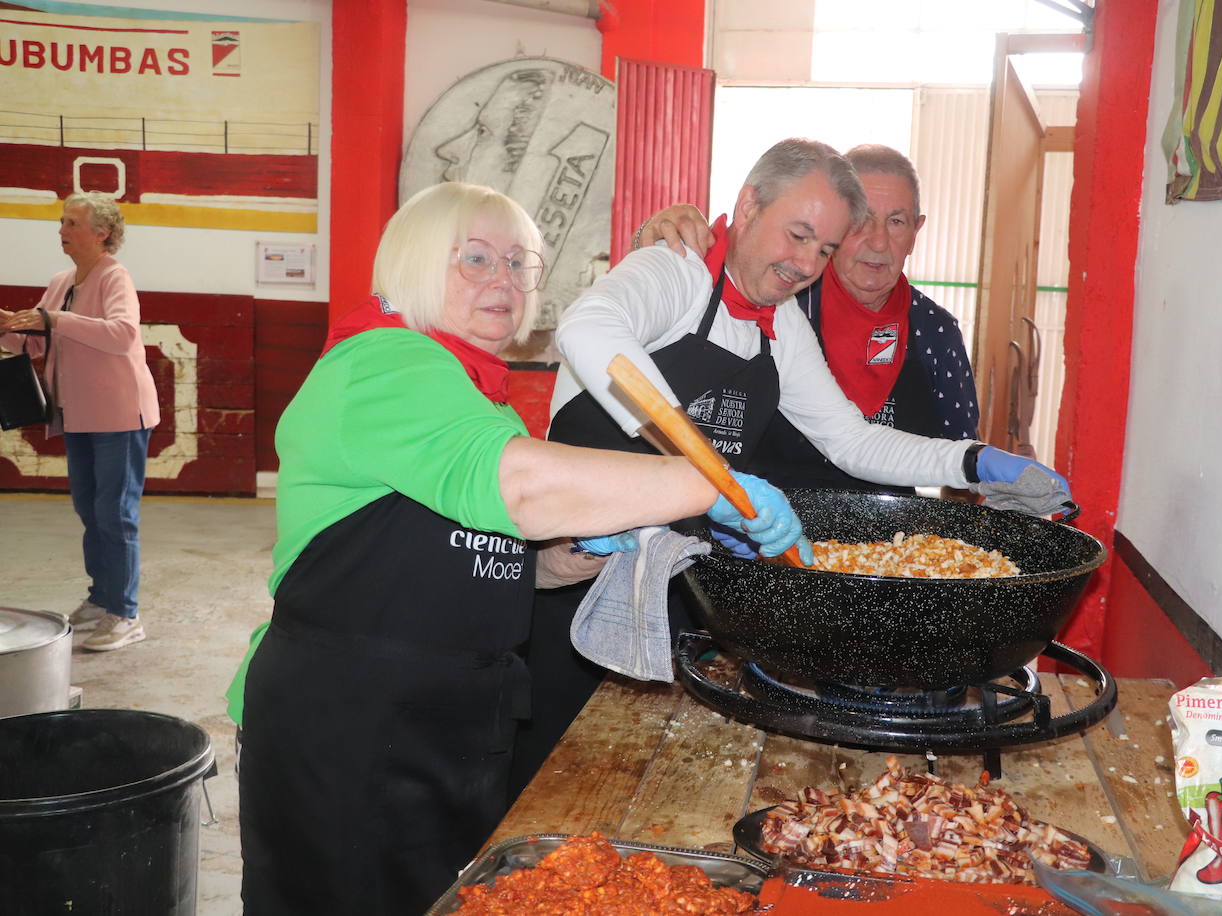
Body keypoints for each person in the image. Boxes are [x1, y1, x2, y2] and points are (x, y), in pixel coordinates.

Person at [231, 180, 809, 916]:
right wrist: (713, 486)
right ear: (411, 263)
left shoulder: (480, 395)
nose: (502, 281)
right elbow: (522, 489)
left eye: (519, 263)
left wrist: (574, 557)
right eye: (475, 258)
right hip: (349, 727)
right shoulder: (380, 364)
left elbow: (489, 556)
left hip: (452, 720)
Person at [510, 138, 1070, 801]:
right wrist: (710, 478)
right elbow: (588, 328)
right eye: (798, 234)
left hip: (681, 585)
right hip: (579, 575)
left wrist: (973, 461)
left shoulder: (777, 325)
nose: (805, 263)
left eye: (824, 250)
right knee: (560, 784)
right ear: (748, 205)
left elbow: (849, 439)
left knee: (658, 788)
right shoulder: (673, 271)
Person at [638, 143, 982, 495]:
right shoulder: (785, 298)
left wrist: (978, 467)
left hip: (889, 542)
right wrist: (659, 235)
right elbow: (618, 332)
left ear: (915, 232)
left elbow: (857, 443)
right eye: (862, 221)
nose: (878, 242)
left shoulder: (935, 332)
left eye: (896, 221)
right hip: (752, 525)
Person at [0, 191, 159, 652]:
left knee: (116, 514)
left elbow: (122, 334)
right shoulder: (61, 280)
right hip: (78, 415)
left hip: (119, 415)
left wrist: (55, 319)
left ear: (102, 232)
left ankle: (126, 615)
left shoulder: (115, 277)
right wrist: (11, 329)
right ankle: (101, 598)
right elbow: (34, 345)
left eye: (72, 223)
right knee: (91, 511)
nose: (62, 230)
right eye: (63, 221)